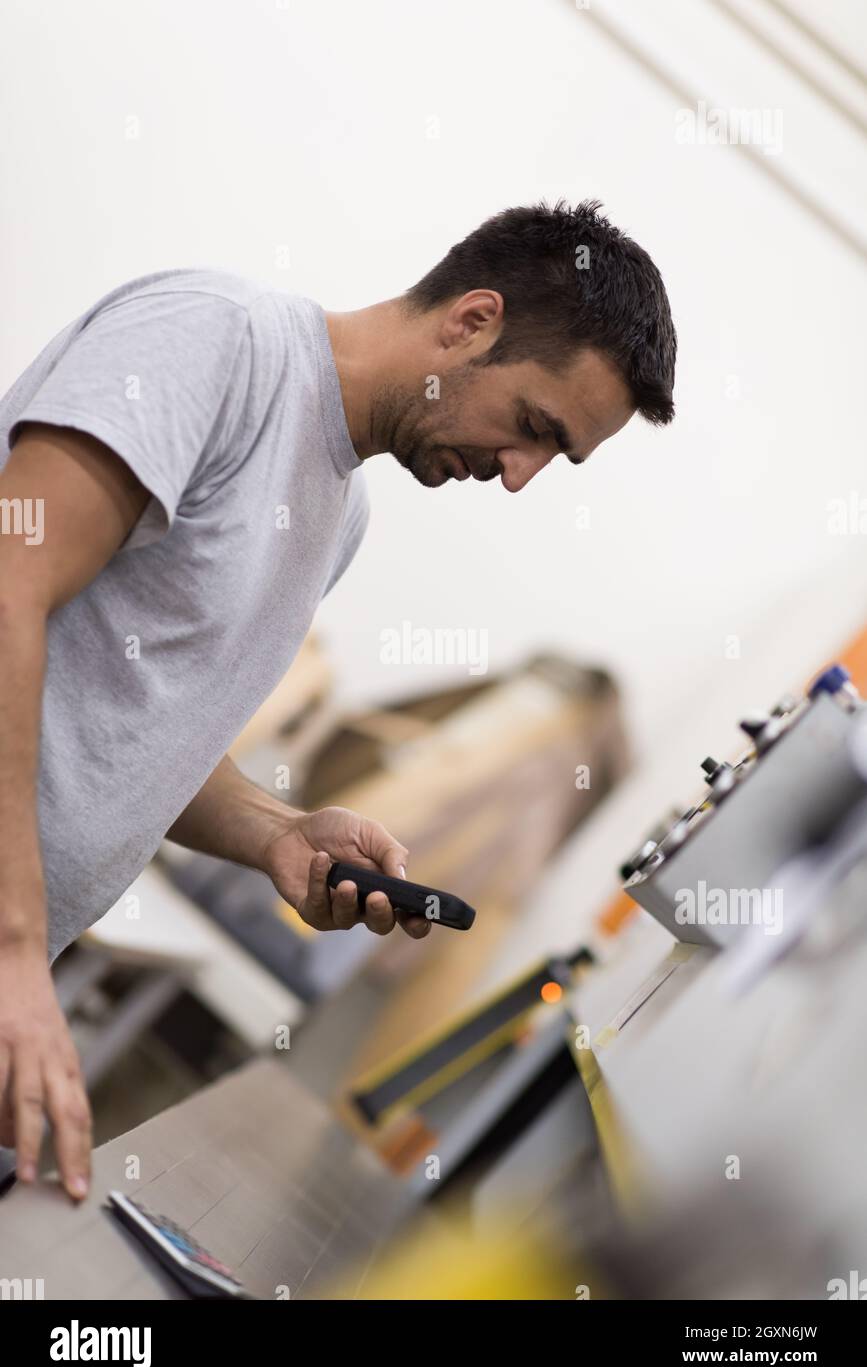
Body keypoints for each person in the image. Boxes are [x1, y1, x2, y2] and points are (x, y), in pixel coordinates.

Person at [0, 199, 676, 1199]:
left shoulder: (338, 515)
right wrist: (15, 948)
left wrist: (278, 832)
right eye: (534, 426)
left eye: (555, 458)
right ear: (470, 322)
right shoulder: (218, 342)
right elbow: (11, 588)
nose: (521, 476)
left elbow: (130, 726)